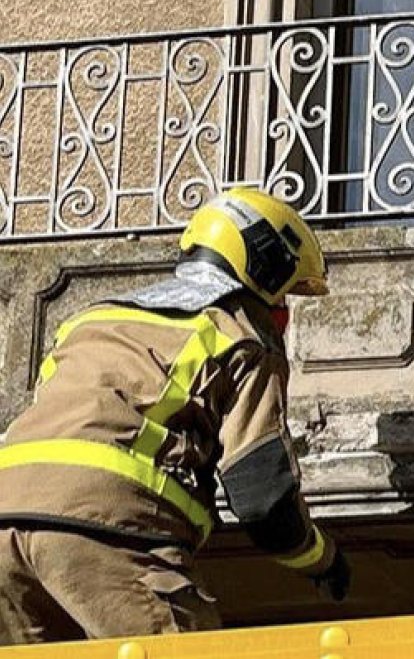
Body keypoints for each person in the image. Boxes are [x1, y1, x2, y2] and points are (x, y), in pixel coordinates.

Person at [0, 188, 349, 643]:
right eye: (285, 296)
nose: (283, 312)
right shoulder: (239, 333)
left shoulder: (90, 322)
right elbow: (262, 497)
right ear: (268, 268)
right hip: (108, 527)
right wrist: (322, 559)